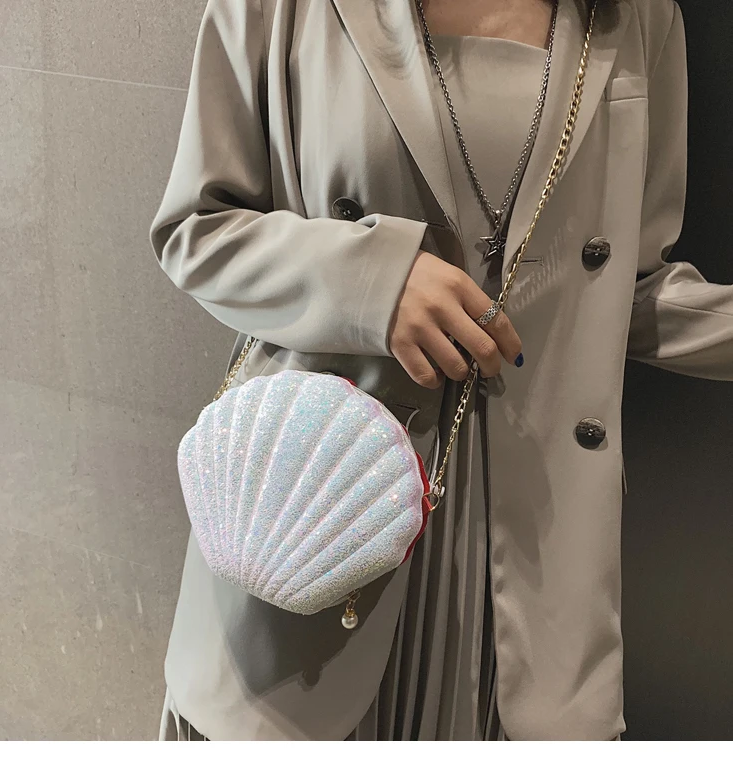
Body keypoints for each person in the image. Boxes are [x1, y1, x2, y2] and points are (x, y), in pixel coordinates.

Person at [149, 0, 733, 741]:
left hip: (529, 551)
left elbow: (628, 288)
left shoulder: (637, 18)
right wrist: (372, 283)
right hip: (326, 505)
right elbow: (195, 230)